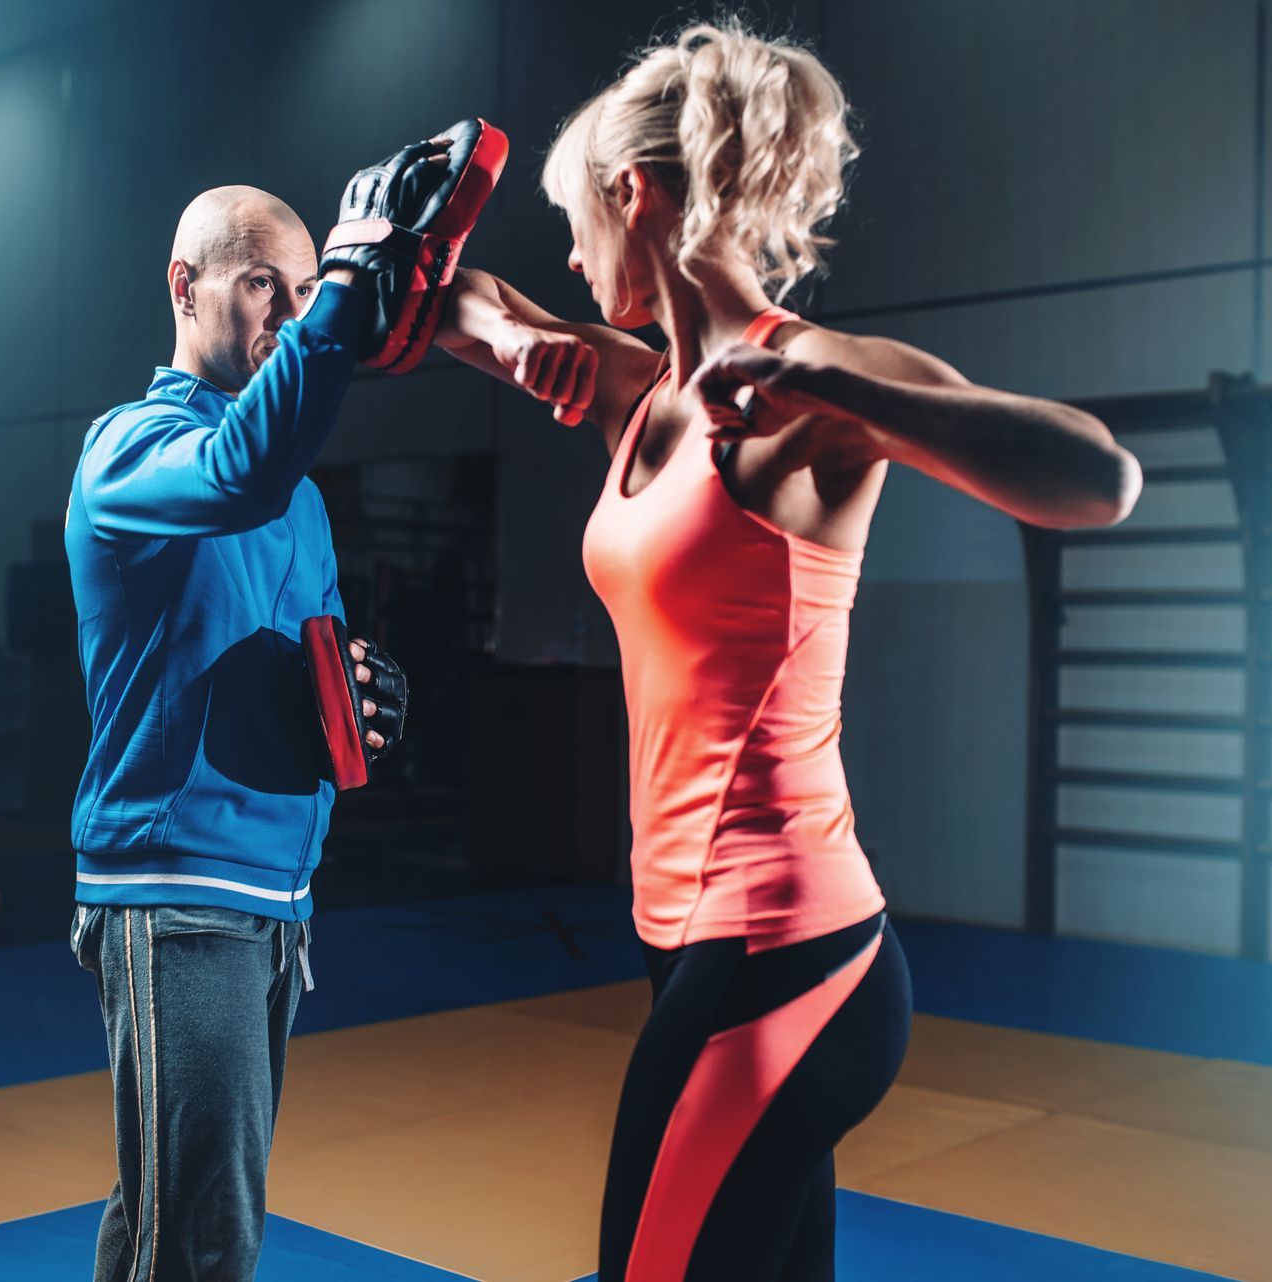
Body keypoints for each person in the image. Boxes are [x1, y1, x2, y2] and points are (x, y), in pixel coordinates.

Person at [434, 22, 1141, 1281]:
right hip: (689, 950)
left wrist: (850, 399)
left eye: (576, 222)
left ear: (631, 196)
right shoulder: (639, 393)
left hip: (781, 956)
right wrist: (494, 328)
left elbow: (1100, 477)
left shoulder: (811, 376)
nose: (571, 257)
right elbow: (462, 305)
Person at [64, 122, 500, 1281]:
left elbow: (295, 653)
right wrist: (353, 289)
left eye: (305, 288)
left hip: (275, 894)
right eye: (264, 283)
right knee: (201, 1241)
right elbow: (236, 470)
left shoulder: (297, 496)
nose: (291, 311)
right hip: (175, 891)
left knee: (164, 1216)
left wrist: (357, 698)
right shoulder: (130, 451)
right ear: (186, 283)